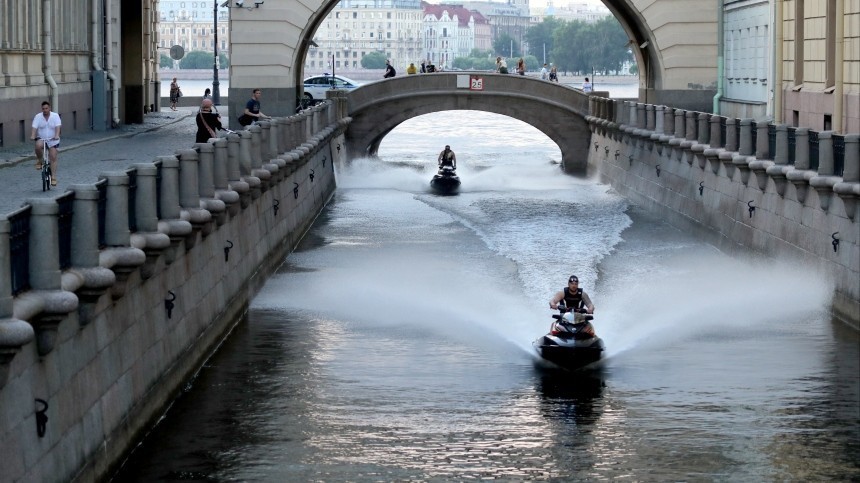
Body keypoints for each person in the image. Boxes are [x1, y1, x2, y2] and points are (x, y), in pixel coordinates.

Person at [31, 101, 61, 186]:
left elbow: (57, 127)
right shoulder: (38, 117)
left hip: (53, 139)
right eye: (43, 109)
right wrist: (33, 135)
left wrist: (57, 135)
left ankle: (53, 177)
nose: (45, 110)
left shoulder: (55, 116)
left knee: (53, 157)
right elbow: (34, 127)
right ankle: (40, 161)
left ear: (49, 108)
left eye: (46, 108)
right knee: (37, 145)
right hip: (42, 138)